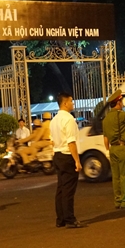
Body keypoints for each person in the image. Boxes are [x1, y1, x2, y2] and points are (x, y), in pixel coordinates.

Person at [50, 92, 85, 228]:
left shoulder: (54, 120)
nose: (73, 103)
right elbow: (71, 142)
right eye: (71, 101)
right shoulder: (69, 119)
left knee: (60, 189)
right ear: (65, 103)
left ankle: (61, 219)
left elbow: (52, 141)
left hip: (58, 155)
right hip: (67, 155)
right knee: (68, 190)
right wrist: (77, 160)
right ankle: (70, 219)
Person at [103, 89, 125, 209]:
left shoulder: (106, 119)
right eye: (121, 101)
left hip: (113, 149)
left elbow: (106, 139)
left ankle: (118, 201)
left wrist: (109, 150)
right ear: (118, 103)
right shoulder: (121, 115)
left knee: (116, 177)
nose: (122, 104)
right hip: (123, 148)